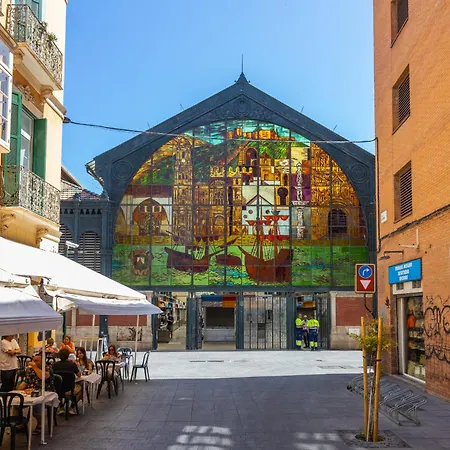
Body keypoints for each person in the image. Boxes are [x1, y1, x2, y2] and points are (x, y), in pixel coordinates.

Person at [17, 354, 55, 433]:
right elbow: (26, 381)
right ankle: (20, 423)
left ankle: (40, 424)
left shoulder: (48, 368)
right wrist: (19, 389)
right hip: (30, 392)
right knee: (16, 405)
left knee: (36, 405)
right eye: (33, 360)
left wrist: (35, 367)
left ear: (42, 361)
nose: (33, 362)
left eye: (36, 361)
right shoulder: (30, 370)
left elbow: (43, 377)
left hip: (45, 393)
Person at [52, 349, 82, 415]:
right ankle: (72, 406)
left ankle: (61, 406)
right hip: (69, 389)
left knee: (59, 387)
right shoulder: (72, 365)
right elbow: (79, 375)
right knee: (81, 388)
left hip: (57, 389)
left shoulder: (54, 365)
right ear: (68, 356)